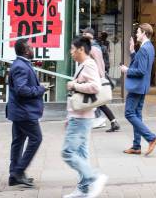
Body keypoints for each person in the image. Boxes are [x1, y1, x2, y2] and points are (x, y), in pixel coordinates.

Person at [62, 36, 108, 198]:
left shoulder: (88, 64)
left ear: (81, 49)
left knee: (67, 152)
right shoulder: (83, 64)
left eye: (73, 49)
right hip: (80, 115)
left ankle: (94, 177)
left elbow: (95, 86)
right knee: (81, 154)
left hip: (81, 117)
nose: (71, 52)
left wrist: (74, 85)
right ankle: (83, 189)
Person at [6, 39, 45, 187]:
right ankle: (18, 171)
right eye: (31, 46)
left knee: (18, 142)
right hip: (24, 112)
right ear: (26, 50)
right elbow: (21, 90)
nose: (33, 48)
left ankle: (13, 175)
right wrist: (40, 89)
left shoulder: (20, 64)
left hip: (19, 111)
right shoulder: (20, 66)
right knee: (36, 138)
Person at [121, 23, 156, 156]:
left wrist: (127, 70)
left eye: (138, 32)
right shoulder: (149, 47)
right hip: (142, 86)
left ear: (144, 33)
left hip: (137, 87)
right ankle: (137, 146)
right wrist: (132, 51)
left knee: (129, 113)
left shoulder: (144, 49)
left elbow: (141, 70)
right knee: (137, 114)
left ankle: (151, 138)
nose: (136, 34)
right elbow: (140, 63)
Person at [82, 28, 120, 133]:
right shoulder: (91, 47)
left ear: (89, 36)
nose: (83, 36)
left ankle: (95, 121)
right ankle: (113, 122)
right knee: (98, 102)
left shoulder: (94, 48)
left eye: (84, 34)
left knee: (94, 101)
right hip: (93, 78)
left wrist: (99, 78)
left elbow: (99, 64)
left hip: (94, 79)